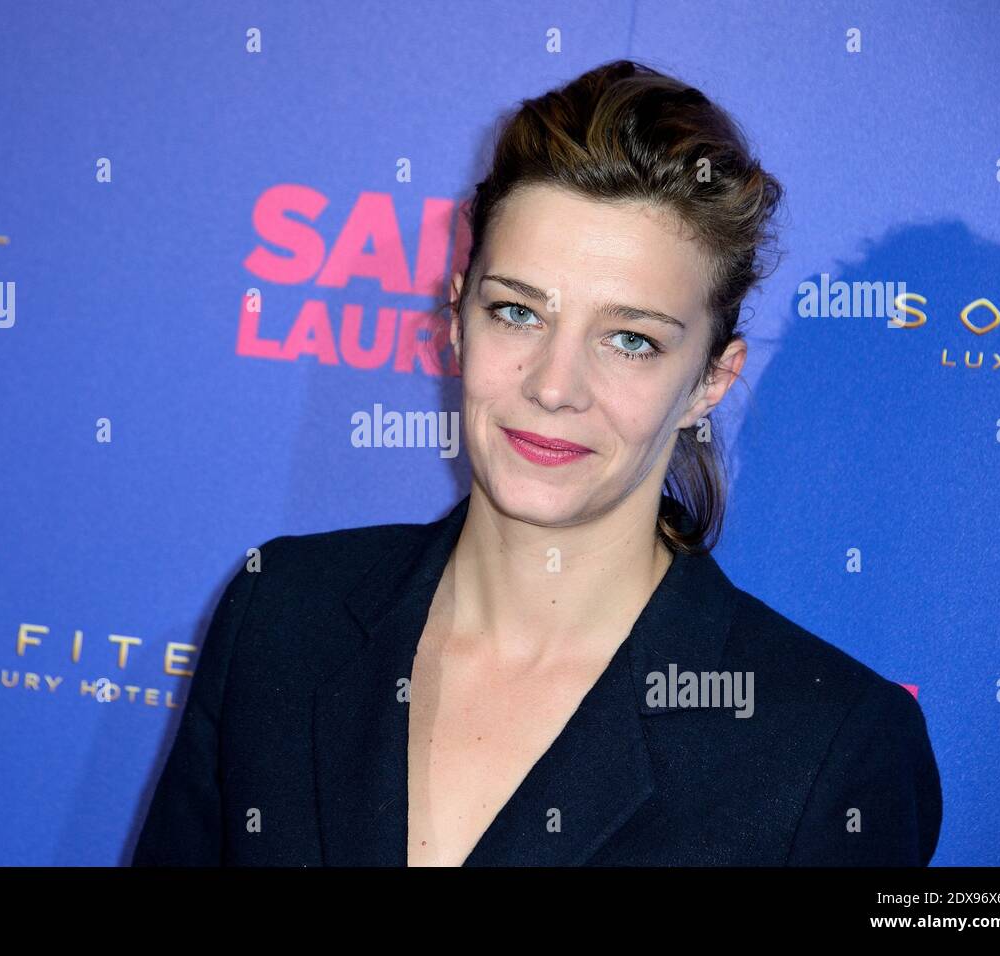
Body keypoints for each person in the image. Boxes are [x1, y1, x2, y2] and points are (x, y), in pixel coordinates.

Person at [132, 59, 942, 867]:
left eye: (631, 340)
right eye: (517, 312)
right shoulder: (279, 618)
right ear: (456, 320)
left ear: (710, 381)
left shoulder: (828, 750)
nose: (555, 388)